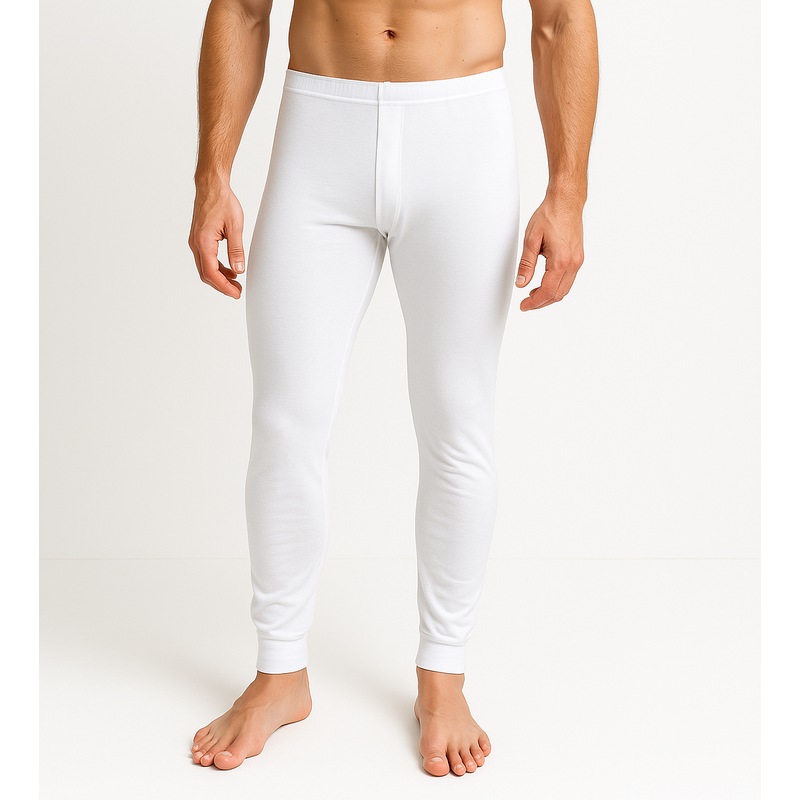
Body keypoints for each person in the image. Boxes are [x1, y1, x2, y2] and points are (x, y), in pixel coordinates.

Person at [187, 0, 598, 778]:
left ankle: (444, 675)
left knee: (457, 423)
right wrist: (213, 175)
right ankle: (280, 671)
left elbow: (560, 20)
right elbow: (240, 9)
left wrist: (567, 191)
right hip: (321, 129)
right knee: (285, 424)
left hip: (461, 133)